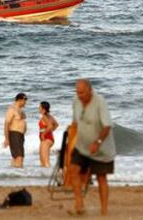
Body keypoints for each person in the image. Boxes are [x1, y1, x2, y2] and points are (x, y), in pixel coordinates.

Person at [69, 79, 116, 216]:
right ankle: (79, 205)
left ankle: (104, 210)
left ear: (90, 90)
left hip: (101, 148)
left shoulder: (100, 102)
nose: (79, 95)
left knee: (101, 177)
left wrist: (98, 141)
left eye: (82, 92)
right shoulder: (76, 101)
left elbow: (107, 126)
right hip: (82, 145)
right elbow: (75, 123)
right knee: (73, 170)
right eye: (77, 92)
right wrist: (70, 143)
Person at [3, 93, 27, 168]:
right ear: (19, 100)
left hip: (20, 136)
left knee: (19, 158)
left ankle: (14, 175)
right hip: (14, 135)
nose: (25, 102)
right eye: (24, 100)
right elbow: (6, 124)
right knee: (19, 158)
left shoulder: (21, 110)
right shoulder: (12, 109)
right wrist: (7, 139)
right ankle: (18, 175)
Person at [38, 101, 59, 167]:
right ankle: (45, 175)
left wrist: (44, 134)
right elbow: (56, 125)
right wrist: (50, 131)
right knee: (42, 161)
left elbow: (50, 126)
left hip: (46, 139)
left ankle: (49, 175)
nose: (38, 108)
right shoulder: (50, 116)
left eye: (39, 107)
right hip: (49, 138)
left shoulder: (44, 117)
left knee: (45, 161)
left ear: (43, 109)